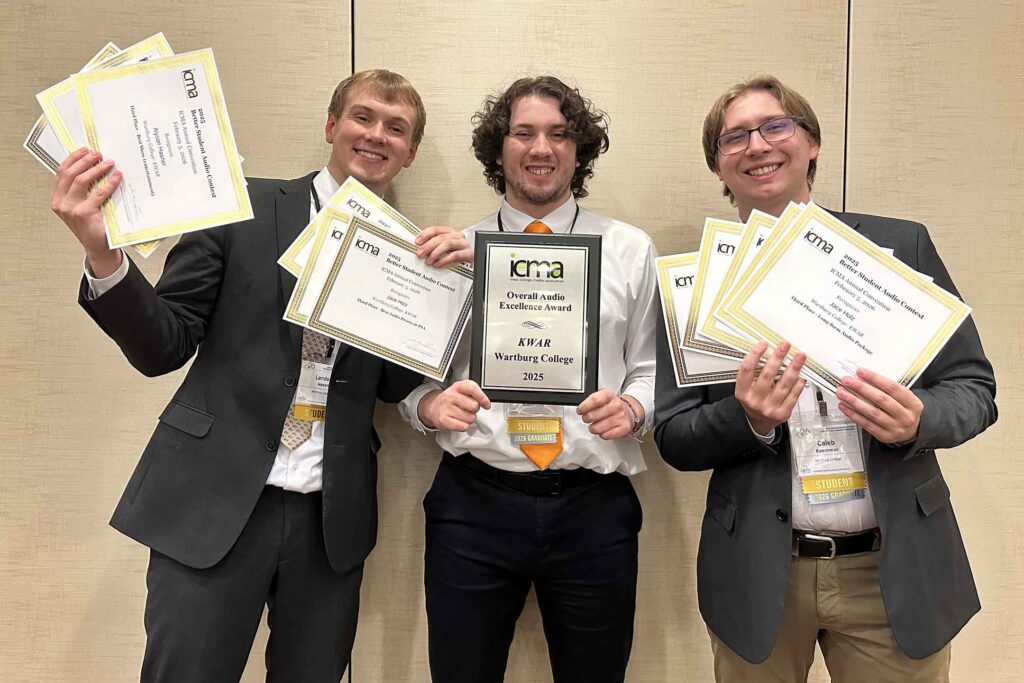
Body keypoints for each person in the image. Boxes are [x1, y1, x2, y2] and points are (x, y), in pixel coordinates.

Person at [50, 69, 468, 683]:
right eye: (363, 117)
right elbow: (163, 345)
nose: (377, 134)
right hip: (211, 504)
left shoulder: (414, 254)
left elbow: (390, 377)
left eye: (396, 128)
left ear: (409, 154)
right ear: (332, 127)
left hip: (330, 523)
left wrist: (430, 394)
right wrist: (103, 256)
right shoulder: (240, 210)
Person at [654, 75, 998, 682]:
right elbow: (675, 437)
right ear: (718, 165)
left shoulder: (897, 247)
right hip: (759, 572)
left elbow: (973, 388)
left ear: (811, 143)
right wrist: (750, 420)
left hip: (891, 571)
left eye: (775, 126)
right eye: (734, 136)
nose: (756, 145)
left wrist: (919, 419)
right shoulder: (695, 283)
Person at [397, 76, 657, 683]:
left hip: (594, 508)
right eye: (524, 133)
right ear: (499, 148)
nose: (542, 148)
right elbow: (403, 378)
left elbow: (647, 369)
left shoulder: (628, 249)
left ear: (579, 150)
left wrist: (635, 411)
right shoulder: (450, 253)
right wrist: (429, 405)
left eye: (560, 134)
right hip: (473, 504)